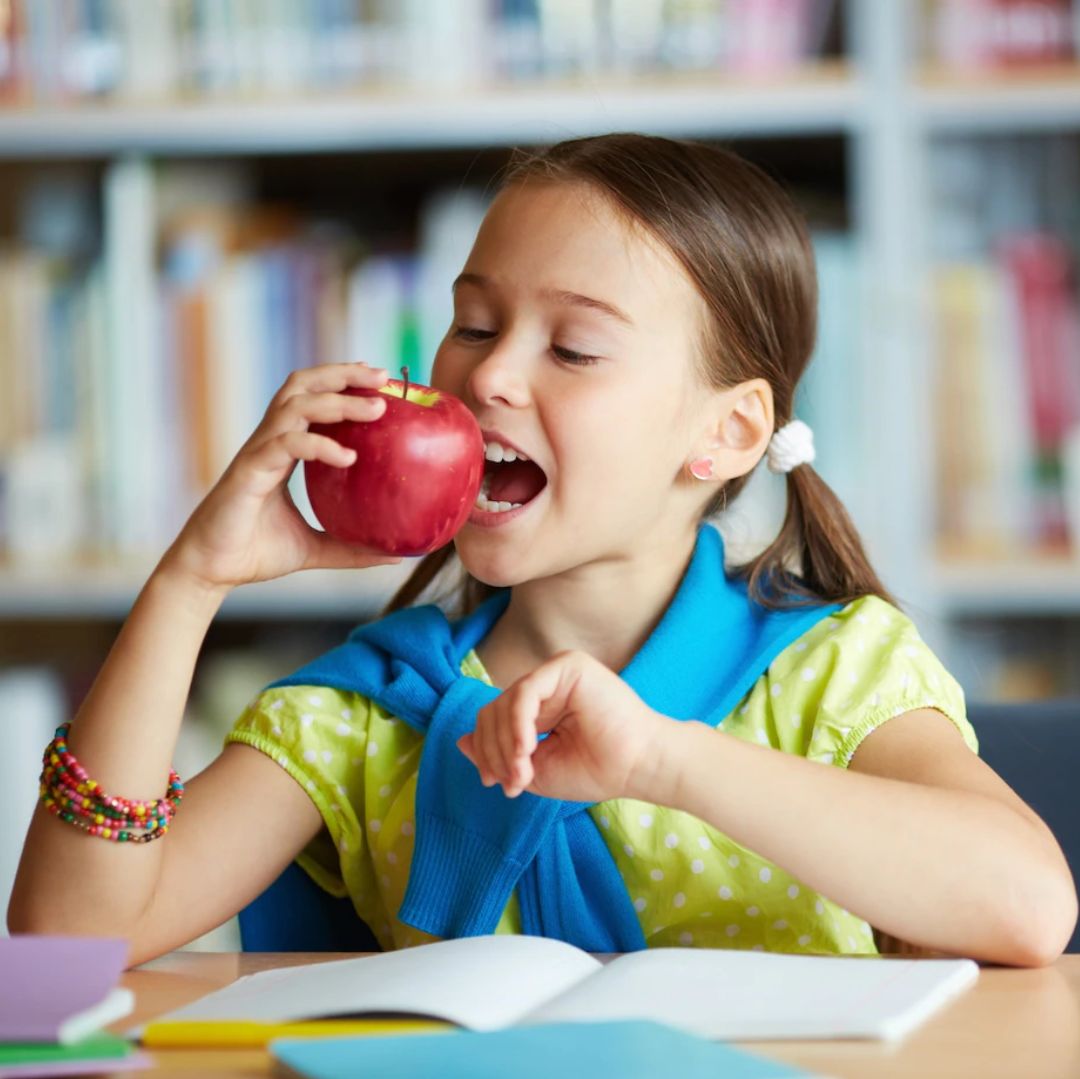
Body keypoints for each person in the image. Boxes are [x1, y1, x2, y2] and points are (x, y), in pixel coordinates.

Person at [8, 134, 1076, 968]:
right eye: (473, 325)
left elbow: (1028, 907)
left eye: (572, 347)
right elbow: (69, 944)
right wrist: (190, 581)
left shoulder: (834, 676)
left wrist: (664, 760)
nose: (489, 378)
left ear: (727, 434)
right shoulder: (365, 713)